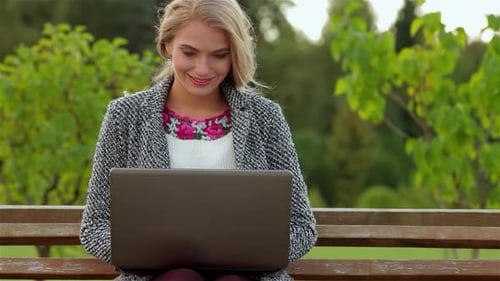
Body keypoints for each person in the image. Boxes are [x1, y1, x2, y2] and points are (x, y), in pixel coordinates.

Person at [79, 0, 317, 280]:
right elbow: (94, 225)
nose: (203, 69)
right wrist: (143, 255)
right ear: (167, 45)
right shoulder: (125, 116)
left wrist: (257, 256)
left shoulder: (265, 118)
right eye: (189, 52)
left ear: (234, 55)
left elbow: (302, 225)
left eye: (219, 55)